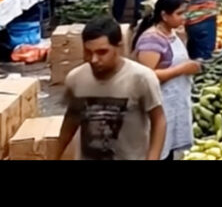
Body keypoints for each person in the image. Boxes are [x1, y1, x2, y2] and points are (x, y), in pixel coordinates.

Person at [56, 16, 166, 160]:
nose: (94, 59)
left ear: (119, 47)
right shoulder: (76, 78)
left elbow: (159, 120)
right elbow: (72, 118)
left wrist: (153, 157)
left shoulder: (141, 78)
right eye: (88, 52)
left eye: (102, 52)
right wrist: (55, 154)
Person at [132, 0, 202, 160]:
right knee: (158, 150)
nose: (184, 17)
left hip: (173, 104)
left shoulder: (171, 33)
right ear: (164, 15)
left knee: (168, 150)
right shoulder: (151, 40)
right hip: (158, 106)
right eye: (179, 13)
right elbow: (147, 76)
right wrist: (182, 69)